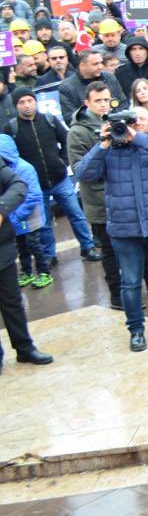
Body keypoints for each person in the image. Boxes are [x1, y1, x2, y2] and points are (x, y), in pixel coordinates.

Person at [75, 106, 148, 352]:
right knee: (131, 282)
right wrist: (103, 143)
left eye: (139, 121)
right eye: (130, 123)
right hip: (124, 229)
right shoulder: (107, 150)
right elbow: (84, 174)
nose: (133, 126)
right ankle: (136, 331)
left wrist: (137, 138)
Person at [5, 88, 99, 264]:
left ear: (35, 101)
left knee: (76, 214)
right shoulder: (11, 128)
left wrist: (62, 161)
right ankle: (50, 255)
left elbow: (66, 140)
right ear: (16, 106)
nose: (27, 105)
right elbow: (9, 156)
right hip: (35, 185)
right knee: (44, 223)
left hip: (60, 179)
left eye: (29, 100)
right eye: (22, 102)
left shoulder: (49, 119)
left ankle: (88, 247)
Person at [69, 82, 123, 307]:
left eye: (106, 100)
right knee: (110, 252)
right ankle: (117, 296)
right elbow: (80, 170)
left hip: (123, 196)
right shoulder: (78, 131)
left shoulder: (117, 121)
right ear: (87, 103)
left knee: (136, 244)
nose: (103, 105)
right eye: (98, 101)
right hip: (99, 201)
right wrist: (102, 145)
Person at [0, 138, 44, 373]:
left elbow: (18, 185)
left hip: (2, 249)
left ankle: (25, 349)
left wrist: (1, 209)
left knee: (12, 302)